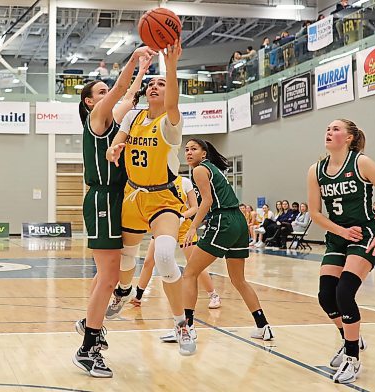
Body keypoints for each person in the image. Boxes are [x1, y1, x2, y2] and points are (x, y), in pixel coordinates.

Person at [105, 40, 196, 356]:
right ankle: (124, 290)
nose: (156, 87)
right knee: (126, 258)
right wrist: (114, 148)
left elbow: (173, 101)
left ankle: (181, 323)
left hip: (163, 198)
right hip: (133, 194)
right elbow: (117, 140)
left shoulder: (171, 123)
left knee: (166, 256)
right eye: (152, 84)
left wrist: (171, 65)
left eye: (162, 84)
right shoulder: (134, 118)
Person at [73, 46, 156, 378]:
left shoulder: (115, 125)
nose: (109, 94)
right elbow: (122, 91)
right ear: (91, 102)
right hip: (102, 201)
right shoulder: (97, 120)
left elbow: (128, 95)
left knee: (104, 276)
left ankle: (88, 323)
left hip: (117, 199)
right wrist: (135, 61)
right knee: (108, 278)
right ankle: (87, 349)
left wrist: (141, 72)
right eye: (101, 92)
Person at [307, 118, 375, 384]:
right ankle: (351, 337)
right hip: (338, 236)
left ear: (348, 138)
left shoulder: (361, 163)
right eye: (327, 128)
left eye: (335, 129)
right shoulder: (316, 170)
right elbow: (314, 212)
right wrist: (340, 231)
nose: (329, 132)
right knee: (326, 296)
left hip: (363, 234)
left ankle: (352, 358)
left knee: (344, 292)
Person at [181, 138, 274, 355]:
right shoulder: (213, 168)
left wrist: (193, 227)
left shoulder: (200, 170)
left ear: (204, 153)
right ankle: (263, 326)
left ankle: (189, 327)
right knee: (238, 279)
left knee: (189, 273)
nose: (189, 152)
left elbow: (207, 202)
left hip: (223, 221)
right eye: (186, 150)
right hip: (238, 222)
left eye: (193, 149)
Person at [129, 175, 221, 310]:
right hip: (164, 227)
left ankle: (213, 295)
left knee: (195, 264)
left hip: (184, 228)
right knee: (149, 261)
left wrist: (182, 216)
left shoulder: (184, 182)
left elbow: (195, 207)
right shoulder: (157, 180)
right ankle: (138, 296)